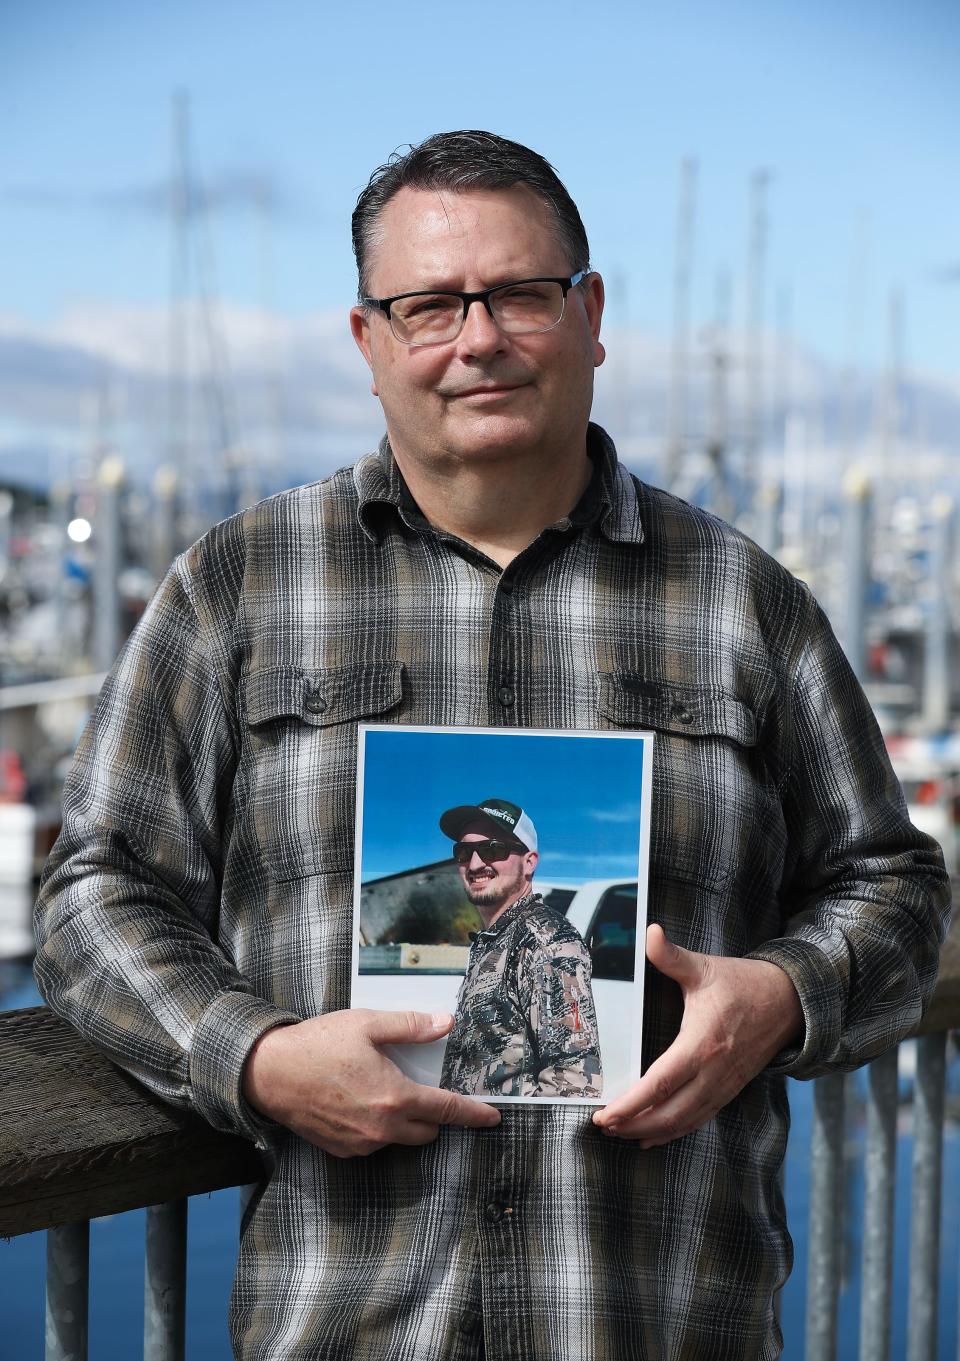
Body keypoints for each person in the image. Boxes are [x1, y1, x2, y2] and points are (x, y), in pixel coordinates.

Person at [34, 130, 949, 1361]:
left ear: (591, 314)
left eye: (520, 293)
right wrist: (248, 1055)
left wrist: (783, 1000)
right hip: (345, 1327)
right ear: (369, 343)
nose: (479, 338)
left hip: (662, 1324)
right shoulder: (236, 587)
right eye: (428, 306)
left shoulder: (747, 600)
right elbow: (96, 893)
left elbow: (894, 885)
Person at [437, 796, 602, 1098]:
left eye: (492, 849)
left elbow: (573, 1086)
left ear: (529, 862)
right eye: (464, 852)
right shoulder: (495, 941)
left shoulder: (546, 939)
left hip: (509, 1144)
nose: (474, 864)